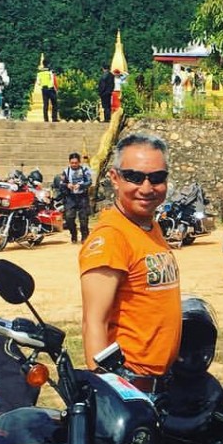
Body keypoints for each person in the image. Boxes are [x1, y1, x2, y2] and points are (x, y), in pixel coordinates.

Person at [79, 132, 181, 381]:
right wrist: (110, 390)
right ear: (115, 178)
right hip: (131, 381)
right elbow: (94, 323)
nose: (146, 188)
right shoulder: (111, 237)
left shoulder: (149, 226)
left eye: (157, 178)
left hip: (162, 381)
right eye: (134, 177)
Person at [60, 151, 93, 244]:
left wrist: (81, 185)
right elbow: (61, 184)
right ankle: (73, 234)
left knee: (83, 218)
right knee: (69, 218)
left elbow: (89, 182)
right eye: (72, 163)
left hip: (82, 197)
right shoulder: (66, 171)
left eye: (76, 163)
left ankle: (85, 236)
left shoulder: (85, 170)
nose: (74, 165)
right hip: (70, 198)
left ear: (79, 162)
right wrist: (67, 185)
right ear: (69, 162)